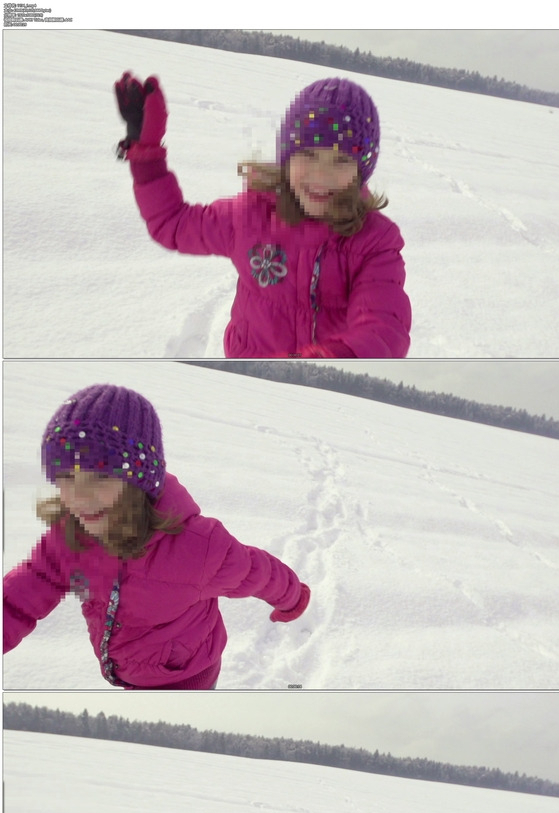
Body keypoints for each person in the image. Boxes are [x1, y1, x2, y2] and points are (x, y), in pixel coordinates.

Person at [3, 384, 310, 689]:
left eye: (100, 477)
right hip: (124, 671)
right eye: (67, 477)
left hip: (186, 677)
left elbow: (257, 572)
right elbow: (18, 599)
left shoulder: (197, 548)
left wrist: (293, 599)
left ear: (138, 480)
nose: (80, 497)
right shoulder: (70, 536)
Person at [114, 73, 412, 359]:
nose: (321, 175)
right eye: (308, 155)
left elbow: (384, 329)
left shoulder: (374, 242)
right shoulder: (249, 217)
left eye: (340, 160)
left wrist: (332, 360)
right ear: (286, 156)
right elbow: (173, 225)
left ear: (361, 171)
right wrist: (147, 156)